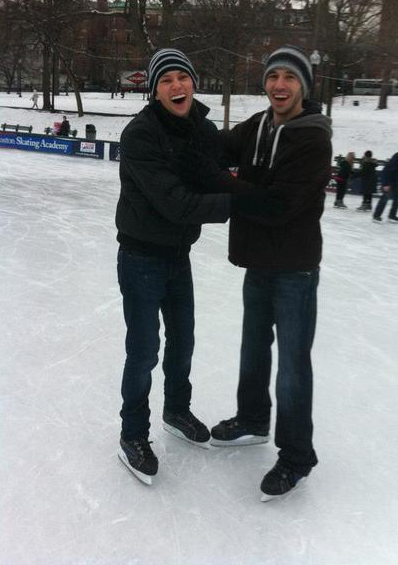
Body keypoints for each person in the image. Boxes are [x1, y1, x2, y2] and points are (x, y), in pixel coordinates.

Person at [115, 48, 277, 485]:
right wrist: (244, 204)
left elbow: (215, 172)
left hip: (177, 256)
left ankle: (176, 410)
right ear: (155, 91)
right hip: (140, 257)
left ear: (193, 82)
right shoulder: (140, 136)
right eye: (166, 80)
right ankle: (132, 434)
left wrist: (257, 187)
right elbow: (178, 204)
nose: (176, 86)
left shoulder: (199, 129)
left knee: (182, 341)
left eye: (182, 77)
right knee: (144, 350)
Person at [210, 45, 332, 499]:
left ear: (304, 86)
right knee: (253, 349)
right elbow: (219, 147)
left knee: (293, 367)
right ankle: (252, 419)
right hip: (258, 263)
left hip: (295, 270)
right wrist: (179, 121)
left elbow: (278, 204)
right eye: (273, 76)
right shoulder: (259, 124)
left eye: (290, 77)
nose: (279, 85)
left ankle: (297, 457)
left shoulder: (313, 138)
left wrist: (225, 185)